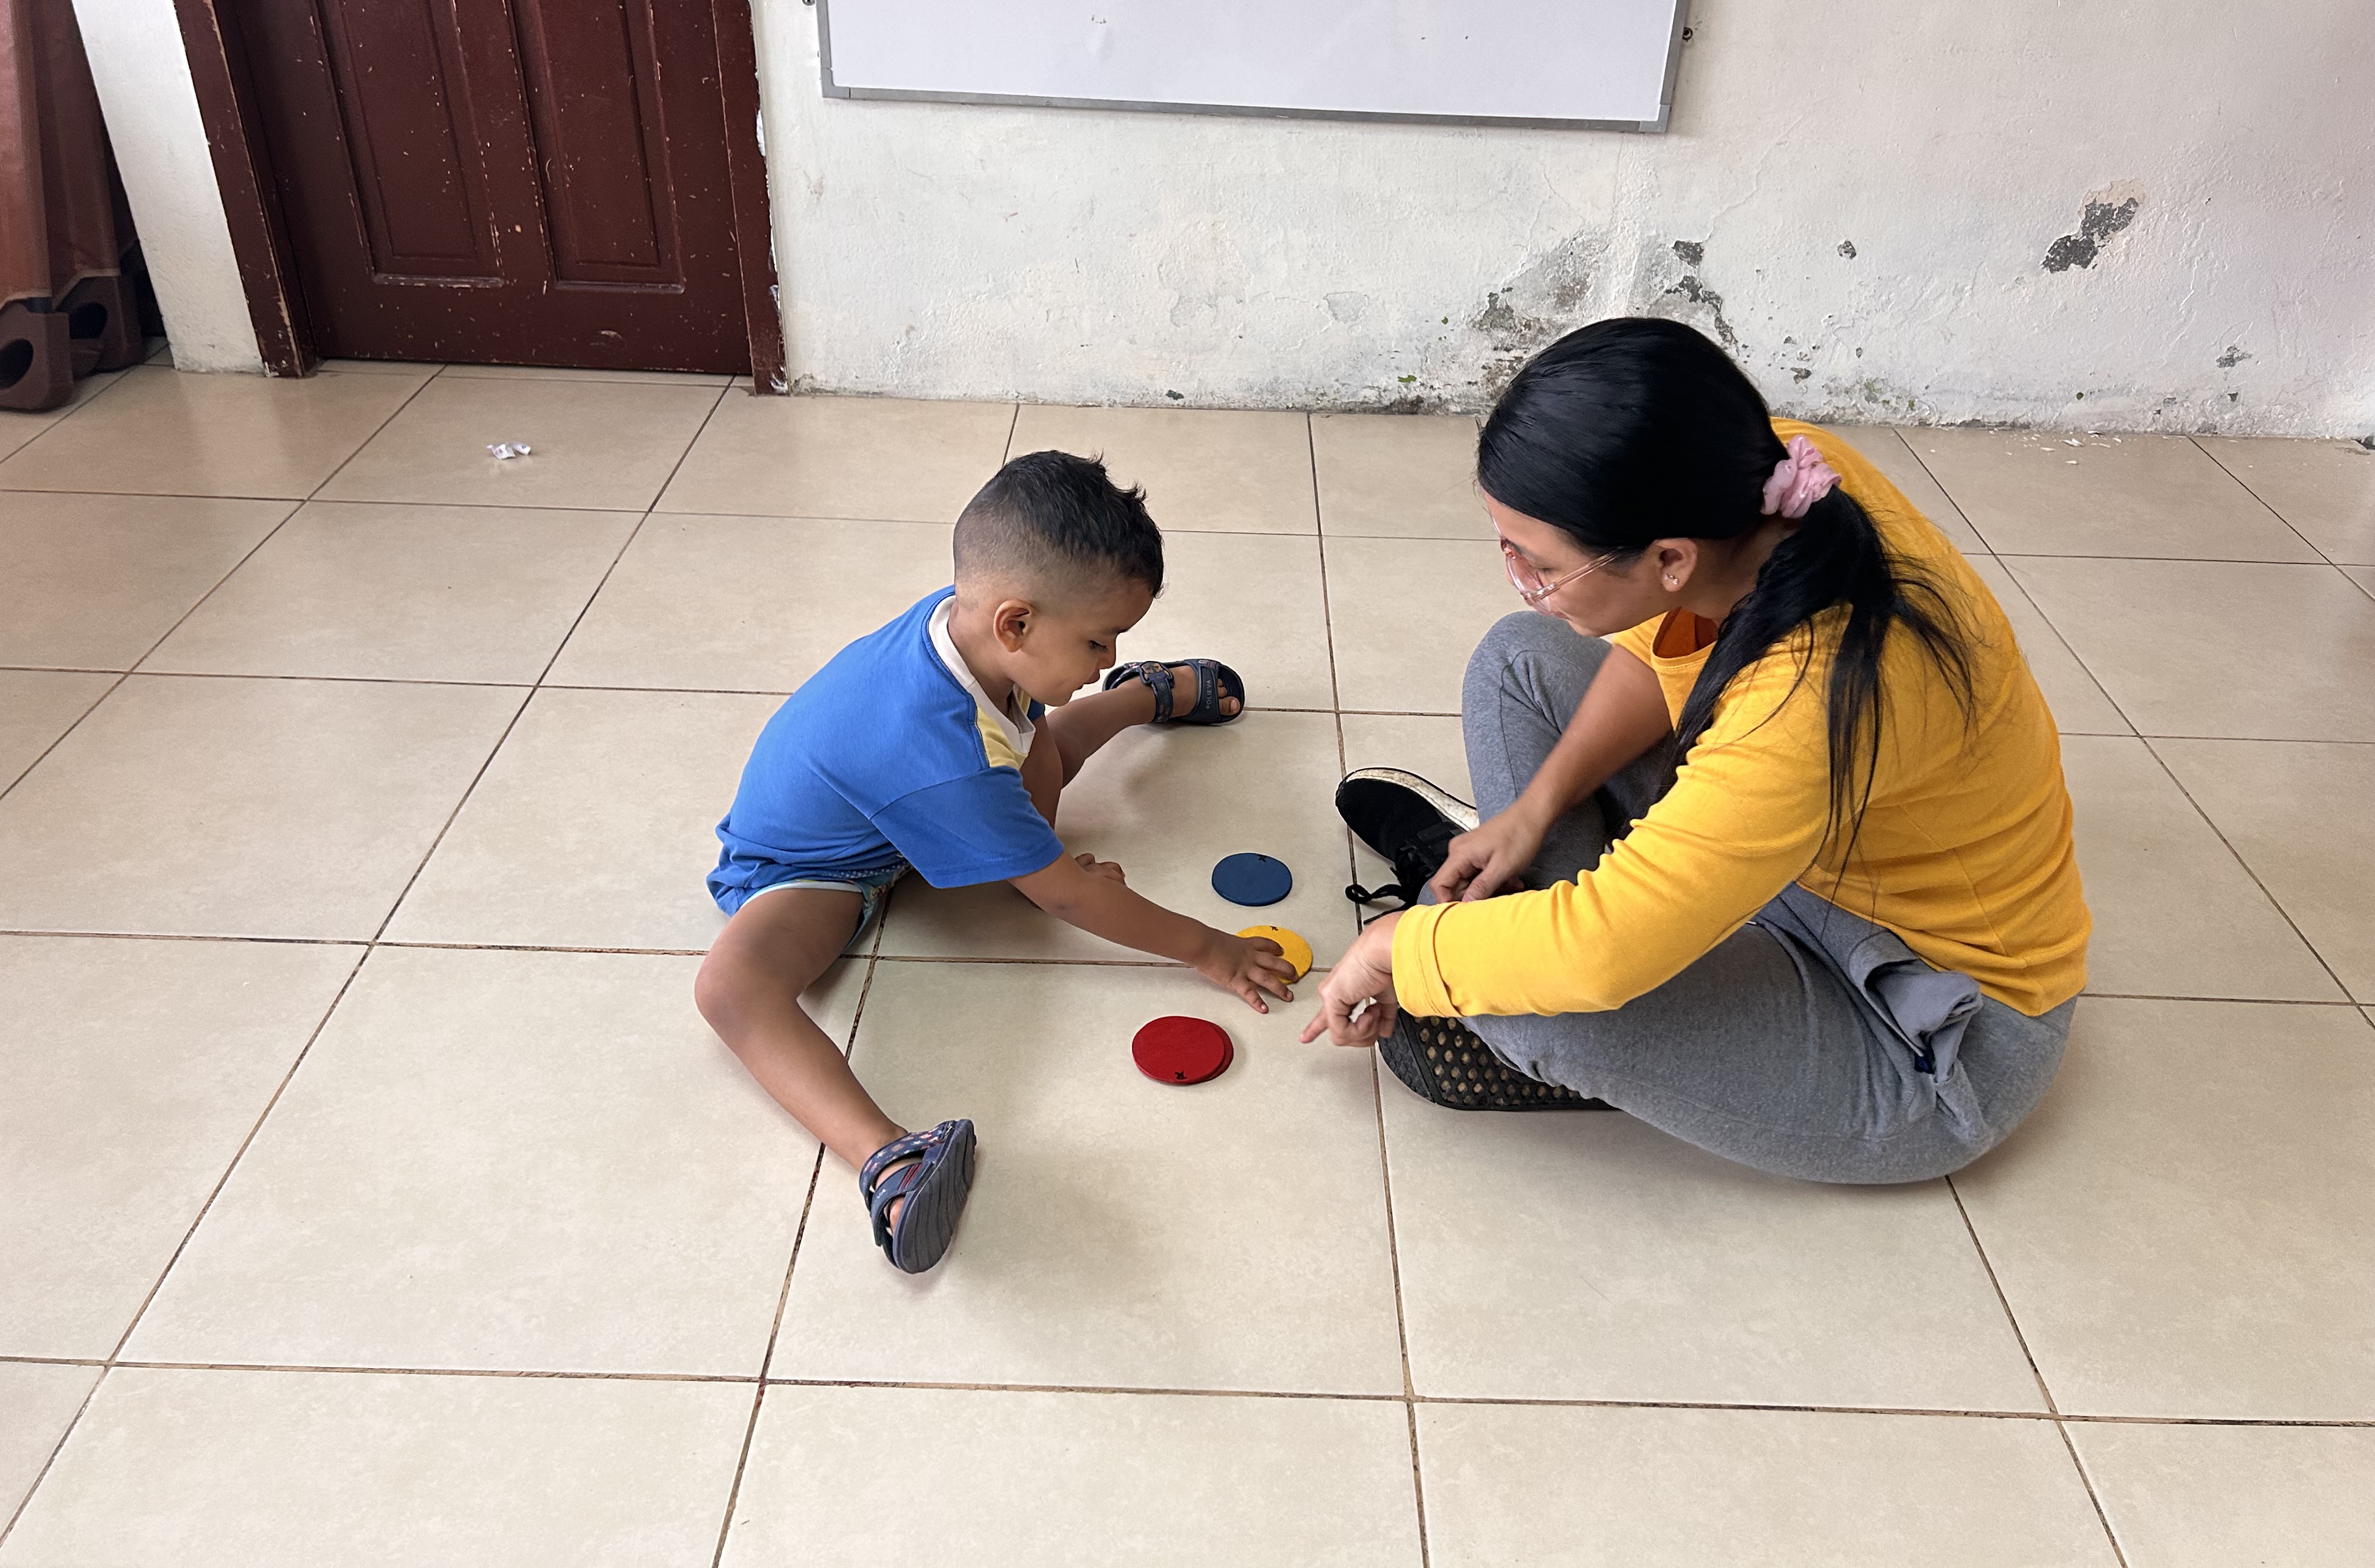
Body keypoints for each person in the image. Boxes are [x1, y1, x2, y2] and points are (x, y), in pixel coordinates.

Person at [1302, 318, 2089, 1184]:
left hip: (1922, 1027)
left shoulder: (1811, 701)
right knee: (1519, 660)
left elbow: (1601, 955)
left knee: (1536, 1007)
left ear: (1671, 558)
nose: (1526, 583)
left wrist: (1397, 948)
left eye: (1541, 566)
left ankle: (1589, 1029)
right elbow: (1664, 657)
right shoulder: (1777, 480)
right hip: (1799, 863)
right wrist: (1532, 812)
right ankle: (1578, 934)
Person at [698, 451, 1295, 1272]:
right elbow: (1067, 899)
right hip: (813, 868)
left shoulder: (966, 628)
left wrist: (1042, 855)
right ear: (1015, 623)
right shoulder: (944, 751)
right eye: (1099, 642)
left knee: (1037, 737)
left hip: (925, 797)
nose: (1100, 653)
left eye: (1113, 644)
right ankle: (890, 1162)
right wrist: (1209, 948)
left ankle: (1143, 695)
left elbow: (1026, 738)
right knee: (731, 990)